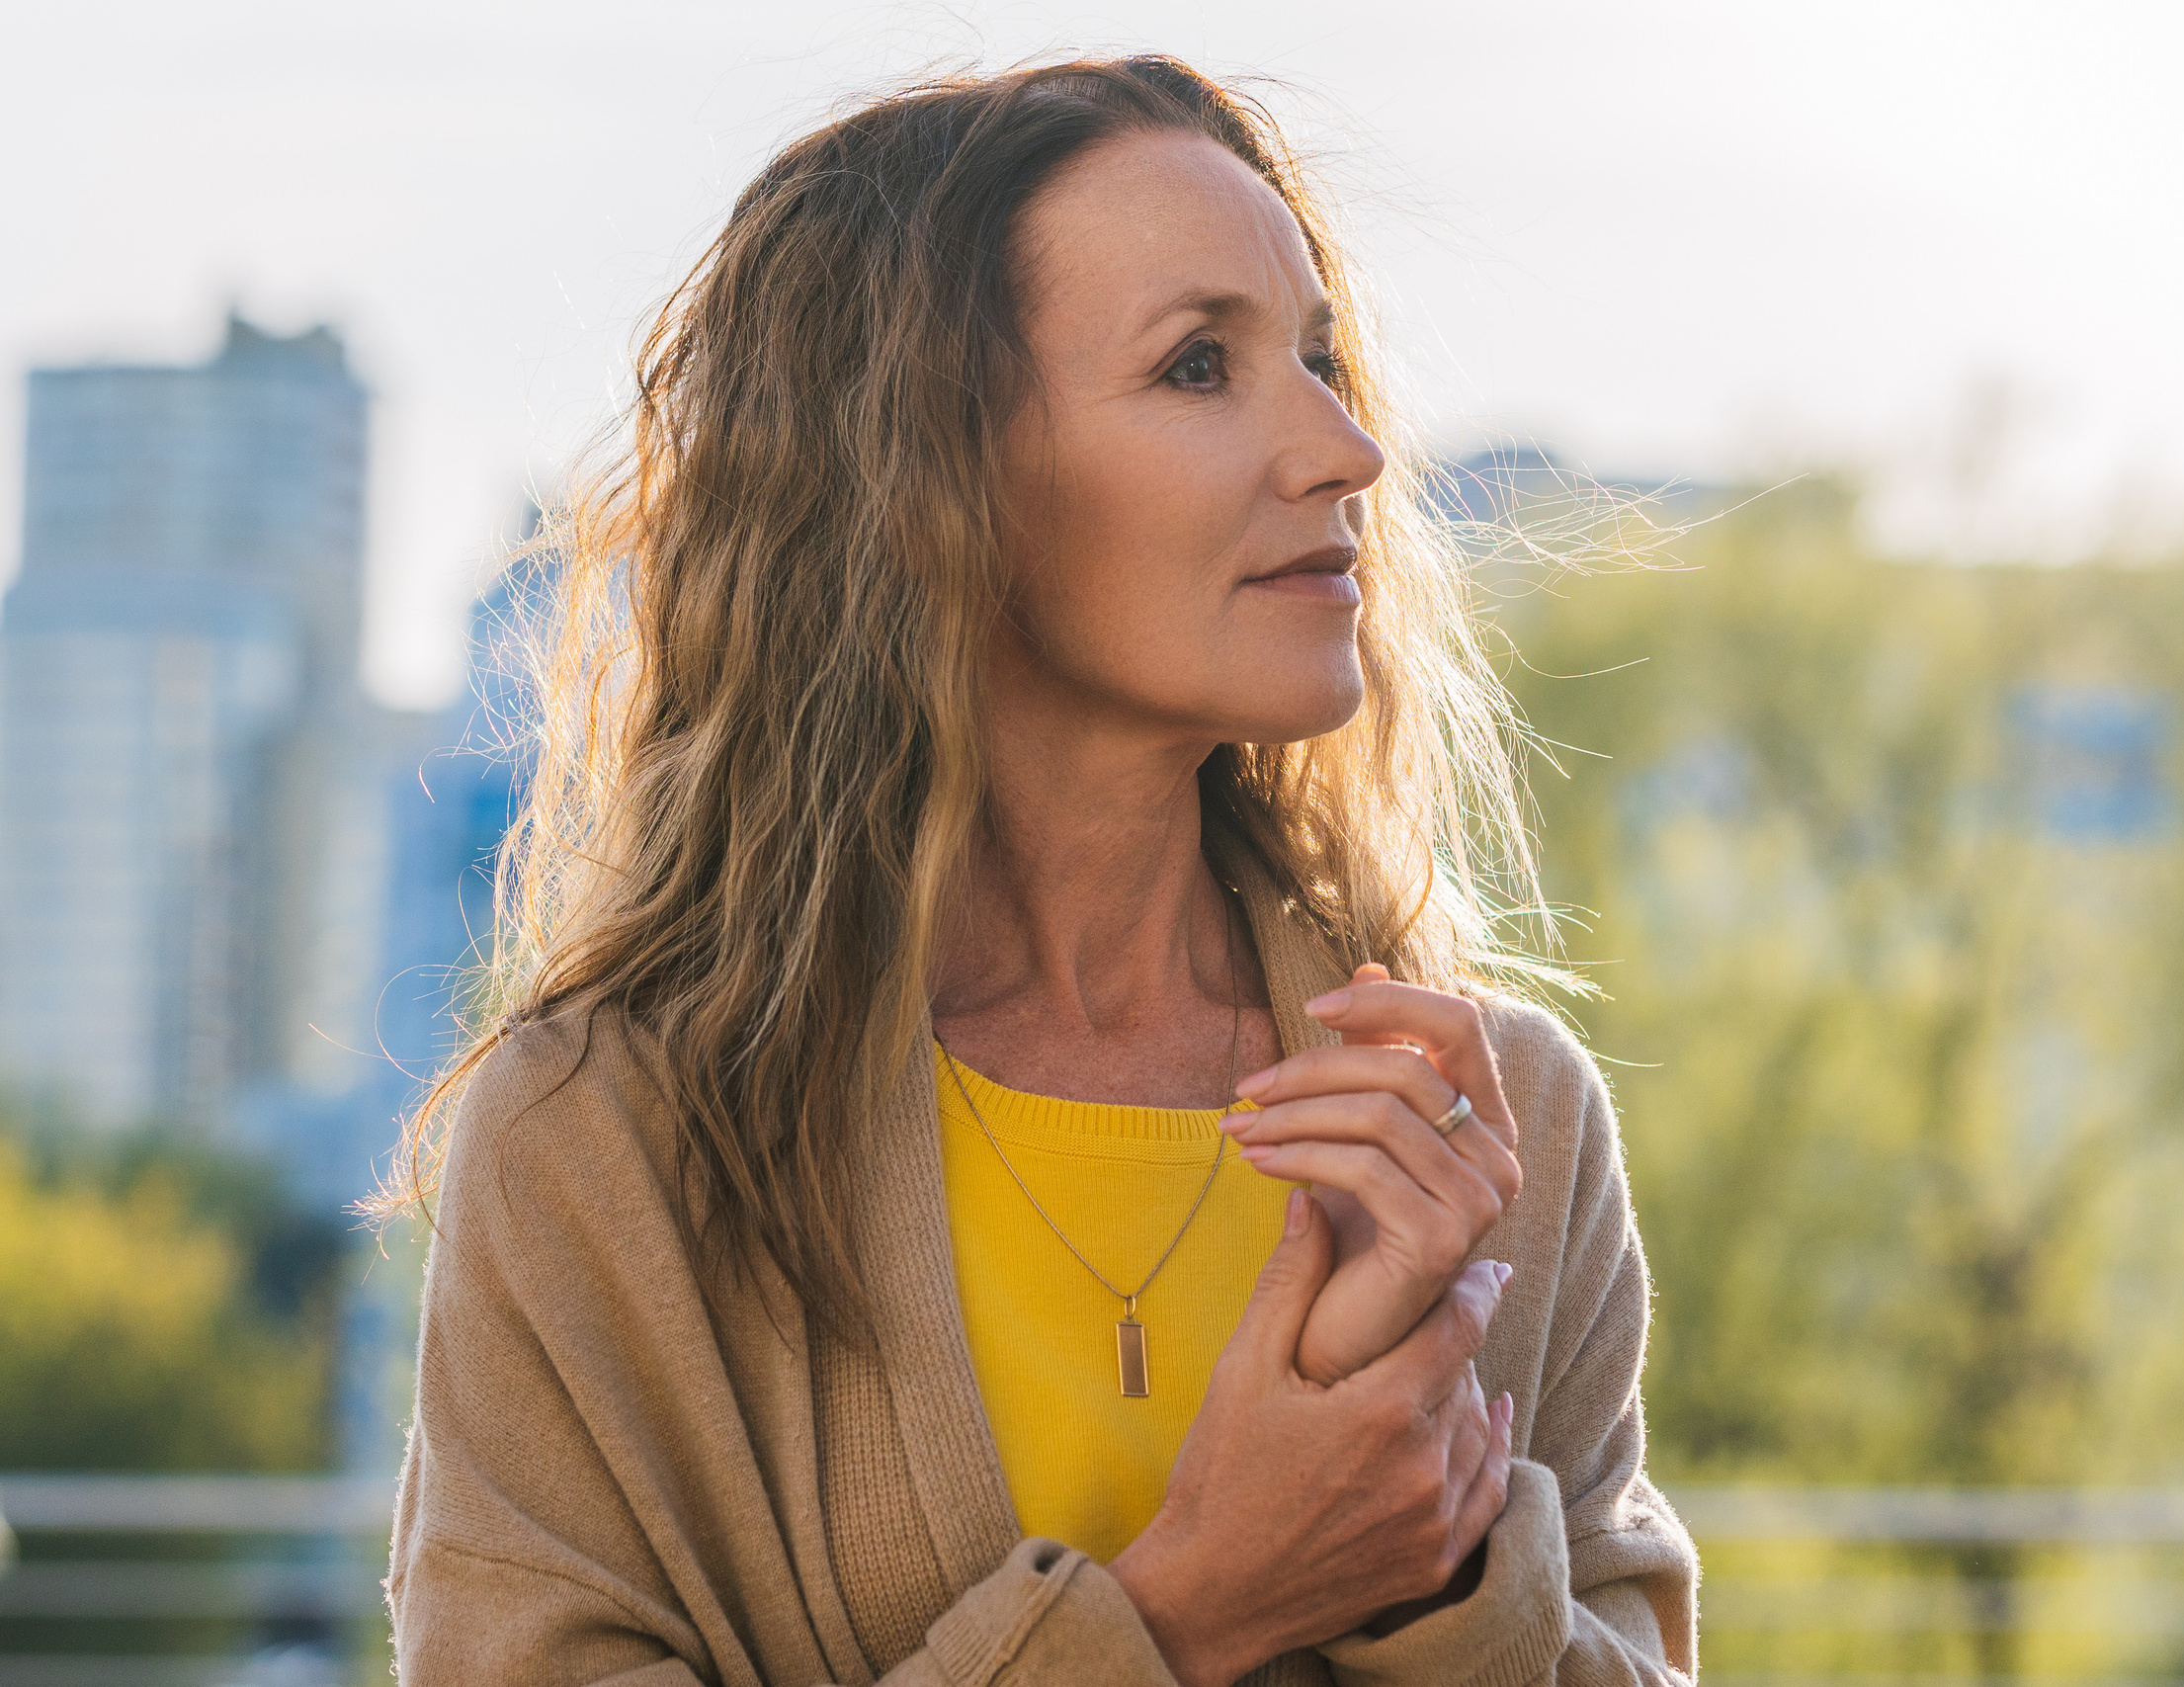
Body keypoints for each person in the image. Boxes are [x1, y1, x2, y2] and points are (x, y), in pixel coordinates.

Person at [385, 54, 1696, 1687]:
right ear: (928, 488)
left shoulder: (1494, 1118)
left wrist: (1429, 1581)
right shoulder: (611, 1141)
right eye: (1201, 365)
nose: (1349, 448)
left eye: (1322, 355)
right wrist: (1192, 1607)